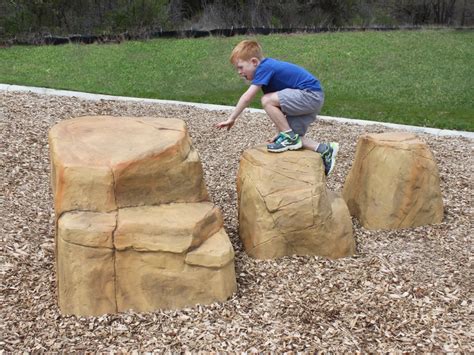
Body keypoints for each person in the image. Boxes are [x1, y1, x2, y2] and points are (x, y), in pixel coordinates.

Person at [215, 39, 339, 176]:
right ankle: (325, 150)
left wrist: (232, 118)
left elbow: (247, 97)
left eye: (240, 67)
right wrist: (281, 132)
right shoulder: (266, 74)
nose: (239, 72)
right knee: (295, 139)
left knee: (267, 101)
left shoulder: (264, 67)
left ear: (254, 62)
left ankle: (288, 136)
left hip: (310, 94)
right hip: (311, 99)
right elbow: (279, 108)